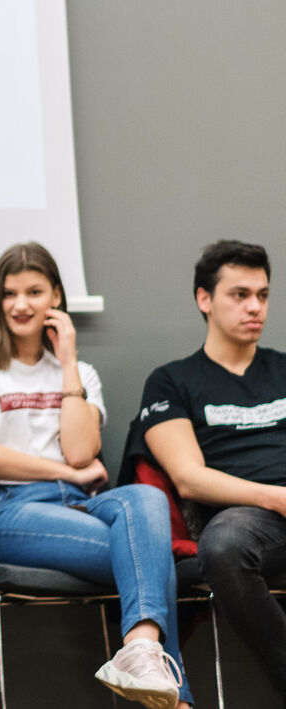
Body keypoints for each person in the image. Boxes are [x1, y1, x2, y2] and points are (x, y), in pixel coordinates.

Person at [0, 242, 192, 709]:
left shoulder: (80, 373)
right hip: (0, 508)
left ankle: (140, 650)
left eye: (34, 291)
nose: (20, 305)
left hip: (77, 502)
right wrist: (65, 470)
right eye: (9, 294)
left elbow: (81, 449)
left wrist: (69, 359)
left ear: (55, 296)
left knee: (147, 502)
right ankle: (178, 702)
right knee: (148, 557)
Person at [134, 239, 286, 696]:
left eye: (261, 295)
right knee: (221, 547)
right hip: (249, 515)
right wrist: (275, 496)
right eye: (239, 295)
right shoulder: (171, 381)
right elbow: (188, 477)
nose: (254, 307)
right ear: (205, 299)